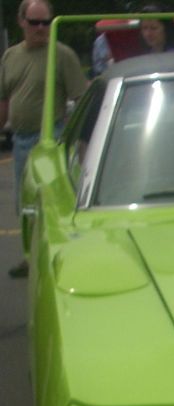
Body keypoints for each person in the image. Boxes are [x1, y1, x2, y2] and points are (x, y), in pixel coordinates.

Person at [0, 0, 87, 278]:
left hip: (50, 141)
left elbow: (81, 100)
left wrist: (79, 144)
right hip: (20, 141)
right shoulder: (10, 56)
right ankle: (30, 256)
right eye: (35, 22)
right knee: (24, 206)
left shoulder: (62, 55)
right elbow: (4, 100)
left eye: (46, 22)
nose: (41, 28)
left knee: (51, 204)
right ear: (21, 21)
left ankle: (59, 257)